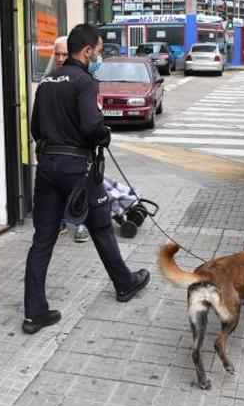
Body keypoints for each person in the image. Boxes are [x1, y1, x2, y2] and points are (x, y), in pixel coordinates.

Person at [23, 24, 150, 334]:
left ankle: (34, 313)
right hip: (77, 168)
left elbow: (35, 128)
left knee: (43, 238)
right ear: (87, 51)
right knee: (102, 226)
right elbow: (92, 126)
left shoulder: (48, 80)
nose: (100, 55)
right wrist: (104, 135)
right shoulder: (85, 81)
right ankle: (124, 283)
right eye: (100, 49)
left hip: (48, 166)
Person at [51, 36, 90, 243]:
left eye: (64, 54)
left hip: (76, 148)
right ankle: (61, 223)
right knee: (56, 189)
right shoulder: (49, 79)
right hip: (54, 146)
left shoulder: (81, 80)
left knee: (78, 186)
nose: (59, 58)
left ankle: (80, 223)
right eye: (56, 54)